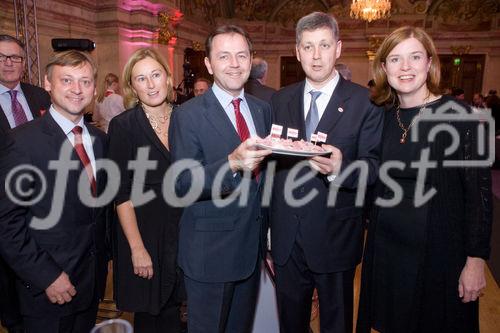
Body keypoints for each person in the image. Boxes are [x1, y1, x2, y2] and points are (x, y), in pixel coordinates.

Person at [357, 26, 492, 333]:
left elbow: (480, 197)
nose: (405, 67)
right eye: (395, 59)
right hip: (388, 254)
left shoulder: (464, 117)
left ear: (429, 63)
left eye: (414, 57)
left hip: (440, 257)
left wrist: (475, 261)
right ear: (383, 68)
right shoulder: (382, 116)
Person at [270, 12, 383, 333]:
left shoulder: (366, 102)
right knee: (290, 325)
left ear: (338, 48)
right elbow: (272, 171)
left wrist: (339, 170)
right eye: (308, 47)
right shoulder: (280, 100)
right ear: (297, 51)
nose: (316, 55)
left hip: (336, 236)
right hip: (286, 239)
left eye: (324, 45)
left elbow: (374, 168)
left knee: (336, 325)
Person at [169, 25, 272, 333]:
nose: (235, 63)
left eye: (242, 55)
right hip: (210, 255)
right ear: (210, 64)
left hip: (251, 251)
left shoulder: (262, 110)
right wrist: (230, 163)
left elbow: (264, 179)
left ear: (251, 60)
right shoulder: (188, 115)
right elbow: (182, 184)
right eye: (224, 56)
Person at [0, 50, 109, 333]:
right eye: (67, 81)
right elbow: (7, 223)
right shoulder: (21, 142)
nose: (77, 89)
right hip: (46, 290)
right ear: (48, 84)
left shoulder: (101, 141)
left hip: (91, 284)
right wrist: (46, 276)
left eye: (85, 82)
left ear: (94, 88)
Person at [108, 47, 183, 333]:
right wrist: (137, 249)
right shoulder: (123, 126)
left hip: (184, 233)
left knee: (181, 315)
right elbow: (120, 192)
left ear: (167, 77)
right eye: (141, 79)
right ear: (132, 86)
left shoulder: (187, 118)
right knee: (152, 319)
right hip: (146, 235)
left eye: (155, 75)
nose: (151, 84)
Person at [0, 34, 52, 333]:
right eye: (2, 57)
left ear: (24, 63)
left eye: (15, 57)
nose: (9, 63)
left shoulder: (41, 97)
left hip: (46, 203)